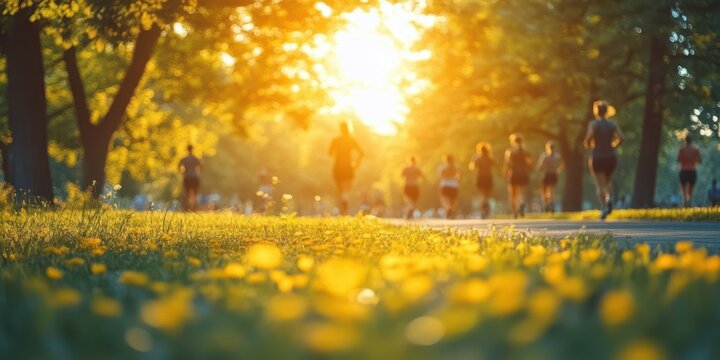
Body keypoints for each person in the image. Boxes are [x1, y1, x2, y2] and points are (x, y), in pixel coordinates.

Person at [584, 100, 624, 220]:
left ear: (596, 112)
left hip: (598, 156)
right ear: (607, 111)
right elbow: (621, 137)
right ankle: (610, 199)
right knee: (608, 182)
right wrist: (613, 146)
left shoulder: (593, 124)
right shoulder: (612, 124)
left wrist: (588, 143)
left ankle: (603, 207)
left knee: (600, 185)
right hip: (610, 157)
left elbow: (589, 138)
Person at [329, 121, 364, 215]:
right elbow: (361, 153)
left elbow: (330, 153)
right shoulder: (351, 140)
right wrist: (357, 164)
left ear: (340, 129)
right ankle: (344, 210)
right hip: (348, 167)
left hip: (338, 167)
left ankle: (343, 210)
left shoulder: (336, 140)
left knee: (340, 190)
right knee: (346, 190)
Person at [504, 134, 532, 218]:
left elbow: (508, 163)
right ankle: (522, 202)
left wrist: (505, 172)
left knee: (513, 194)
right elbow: (529, 162)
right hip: (523, 173)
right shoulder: (525, 151)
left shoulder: (511, 151)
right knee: (521, 192)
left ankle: (514, 212)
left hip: (514, 174)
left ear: (513, 142)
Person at [536, 141, 564, 212]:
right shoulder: (558, 156)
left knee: (544, 191)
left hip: (547, 174)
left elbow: (540, 167)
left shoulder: (545, 156)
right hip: (553, 174)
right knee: (551, 190)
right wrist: (558, 170)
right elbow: (562, 165)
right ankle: (551, 204)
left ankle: (546, 204)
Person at [469, 142, 495, 218]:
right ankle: (486, 206)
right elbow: (495, 165)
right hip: (488, 177)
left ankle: (483, 209)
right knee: (487, 194)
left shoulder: (477, 157)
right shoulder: (490, 157)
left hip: (480, 177)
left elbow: (472, 167)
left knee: (481, 194)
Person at [676, 136, 702, 207]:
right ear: (691, 141)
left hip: (683, 171)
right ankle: (689, 201)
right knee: (690, 189)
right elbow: (700, 160)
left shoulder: (681, 150)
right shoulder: (696, 150)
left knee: (684, 189)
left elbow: (678, 159)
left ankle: (685, 202)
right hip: (692, 171)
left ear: (685, 141)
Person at [178, 144, 202, 211]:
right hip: (194, 177)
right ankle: (194, 207)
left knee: (188, 193)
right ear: (192, 149)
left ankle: (188, 208)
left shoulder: (184, 159)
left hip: (187, 177)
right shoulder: (196, 158)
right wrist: (197, 171)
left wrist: (182, 172)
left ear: (187, 149)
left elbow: (179, 166)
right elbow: (201, 166)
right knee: (195, 193)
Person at [401, 155, 426, 219]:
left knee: (407, 200)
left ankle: (410, 210)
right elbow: (423, 177)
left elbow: (401, 176)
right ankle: (409, 212)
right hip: (415, 186)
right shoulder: (417, 169)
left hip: (407, 185)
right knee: (413, 201)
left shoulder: (405, 168)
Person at [437, 154, 461, 219]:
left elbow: (440, 176)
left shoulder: (442, 167)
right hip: (454, 184)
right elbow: (458, 176)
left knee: (444, 199)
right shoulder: (456, 166)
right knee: (453, 200)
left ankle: (449, 209)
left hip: (445, 184)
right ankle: (451, 210)